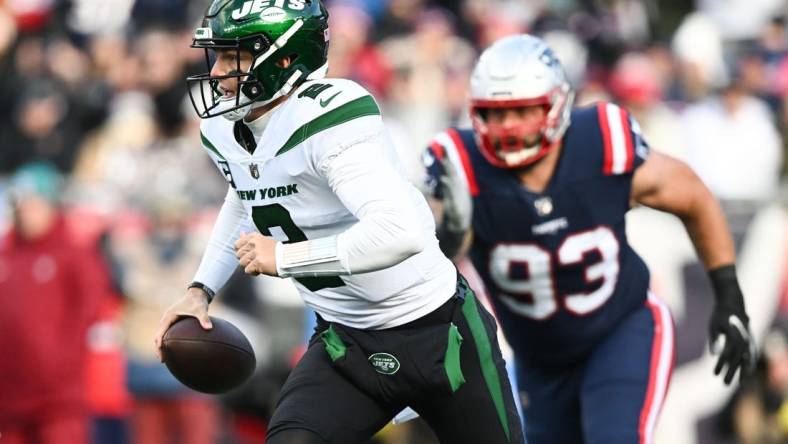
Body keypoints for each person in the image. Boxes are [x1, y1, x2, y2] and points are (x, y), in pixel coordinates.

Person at [154, 2, 524, 443]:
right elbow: (244, 196)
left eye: (236, 57)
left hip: (438, 333)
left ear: (285, 59)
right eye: (219, 56)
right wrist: (200, 291)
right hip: (345, 344)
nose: (218, 73)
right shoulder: (225, 130)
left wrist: (288, 258)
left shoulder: (326, 119)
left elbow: (400, 232)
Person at [422, 34, 758, 444]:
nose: (508, 127)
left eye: (523, 111)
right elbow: (423, 256)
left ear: (557, 105)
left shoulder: (600, 145)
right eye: (495, 114)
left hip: (620, 331)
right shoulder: (461, 168)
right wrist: (450, 232)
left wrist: (729, 296)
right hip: (539, 361)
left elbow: (693, 196)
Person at [0, 162, 112, 444]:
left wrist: (59, 360)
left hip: (59, 398)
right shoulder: (7, 252)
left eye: (35, 206)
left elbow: (91, 307)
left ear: (52, 207)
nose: (28, 214)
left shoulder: (73, 252)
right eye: (23, 207)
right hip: (9, 396)